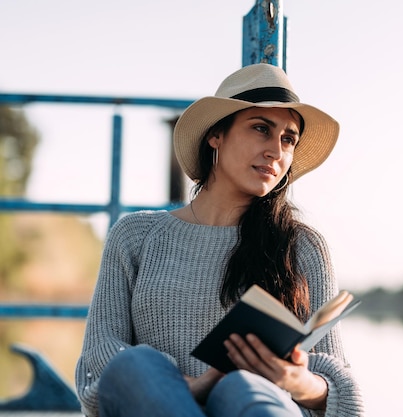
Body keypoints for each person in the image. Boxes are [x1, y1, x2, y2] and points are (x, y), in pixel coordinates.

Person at [75, 63, 364, 417]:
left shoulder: (300, 245)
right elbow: (100, 360)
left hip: (257, 406)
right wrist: (188, 385)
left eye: (288, 138)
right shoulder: (135, 236)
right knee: (135, 364)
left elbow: (342, 391)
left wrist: (298, 381)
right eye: (261, 129)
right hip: (155, 403)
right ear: (216, 135)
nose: (276, 151)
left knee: (242, 386)